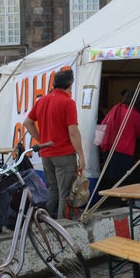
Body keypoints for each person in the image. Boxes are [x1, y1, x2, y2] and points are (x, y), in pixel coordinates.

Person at [23, 69, 86, 219]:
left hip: (47, 154)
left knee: (53, 190)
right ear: (70, 85)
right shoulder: (68, 102)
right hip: (64, 154)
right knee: (66, 193)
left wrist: (42, 141)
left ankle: (43, 221)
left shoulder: (42, 100)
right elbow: (73, 132)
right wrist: (81, 155)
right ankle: (63, 225)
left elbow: (27, 122)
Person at [100, 89, 140, 188]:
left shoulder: (115, 108)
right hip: (125, 151)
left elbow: (103, 124)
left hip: (109, 149)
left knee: (109, 180)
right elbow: (138, 133)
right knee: (124, 181)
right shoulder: (134, 114)